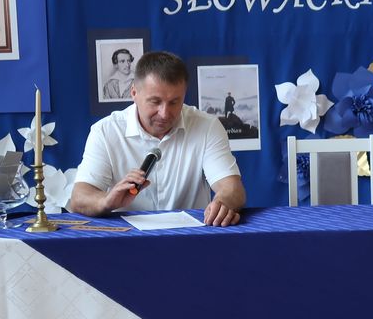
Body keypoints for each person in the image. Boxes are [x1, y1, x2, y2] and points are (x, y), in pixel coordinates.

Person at [70, 50, 246, 226]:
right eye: (155, 102)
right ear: (134, 93)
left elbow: (231, 188)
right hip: (126, 238)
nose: (164, 114)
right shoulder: (105, 131)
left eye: (174, 102)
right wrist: (107, 200)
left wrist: (223, 202)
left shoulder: (207, 126)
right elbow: (80, 197)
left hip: (191, 237)